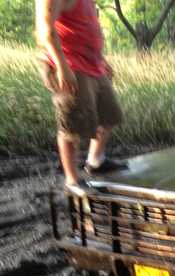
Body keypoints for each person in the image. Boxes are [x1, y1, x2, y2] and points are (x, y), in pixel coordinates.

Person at [35, 0, 126, 190]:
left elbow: (87, 27)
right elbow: (46, 30)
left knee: (110, 115)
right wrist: (62, 66)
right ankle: (72, 180)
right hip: (69, 64)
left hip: (92, 64)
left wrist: (102, 60)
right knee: (72, 126)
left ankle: (95, 160)